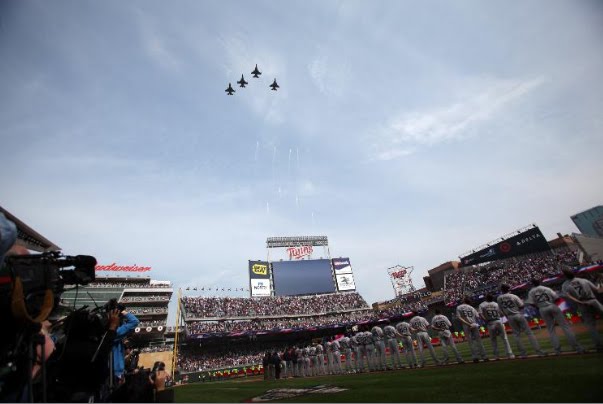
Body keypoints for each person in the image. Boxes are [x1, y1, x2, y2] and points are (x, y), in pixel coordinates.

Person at [526, 278, 584, 355]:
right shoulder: (546, 288)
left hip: (542, 308)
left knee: (551, 330)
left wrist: (538, 306)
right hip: (552, 305)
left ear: (532, 284)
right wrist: (553, 304)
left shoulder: (531, 292)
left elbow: (531, 303)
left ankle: (557, 350)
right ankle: (577, 348)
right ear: (539, 282)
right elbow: (557, 298)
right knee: (565, 326)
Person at [497, 284, 546, 358]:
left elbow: (500, 310)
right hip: (517, 314)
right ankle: (539, 352)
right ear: (508, 289)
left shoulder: (499, 298)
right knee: (529, 333)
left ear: (502, 290)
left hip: (509, 317)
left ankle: (523, 354)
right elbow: (521, 306)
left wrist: (506, 315)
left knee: (516, 335)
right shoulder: (513, 296)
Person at [561, 269, 603, 351]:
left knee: (591, 326)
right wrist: (600, 283)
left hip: (582, 304)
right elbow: (597, 290)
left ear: (565, 276)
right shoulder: (583, 280)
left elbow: (568, 296)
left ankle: (599, 345)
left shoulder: (565, 285)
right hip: (593, 301)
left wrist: (579, 301)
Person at [108, 299, 140, 384]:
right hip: (115, 373)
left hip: (113, 371)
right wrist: (122, 311)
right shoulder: (115, 333)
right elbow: (134, 321)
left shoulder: (112, 332)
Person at [478, 294, 514, 360]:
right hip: (498, 321)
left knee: (493, 340)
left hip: (490, 322)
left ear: (486, 298)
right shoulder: (496, 304)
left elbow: (480, 314)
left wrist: (485, 320)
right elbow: (502, 313)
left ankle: (497, 356)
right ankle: (510, 354)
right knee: (505, 338)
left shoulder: (482, 304)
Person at [456, 297, 488, 363]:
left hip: (466, 325)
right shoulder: (472, 307)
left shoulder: (459, 307)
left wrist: (467, 323)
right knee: (479, 341)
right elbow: (478, 317)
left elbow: (459, 317)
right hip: (474, 324)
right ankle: (484, 356)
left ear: (464, 300)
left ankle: (475, 357)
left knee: (470, 342)